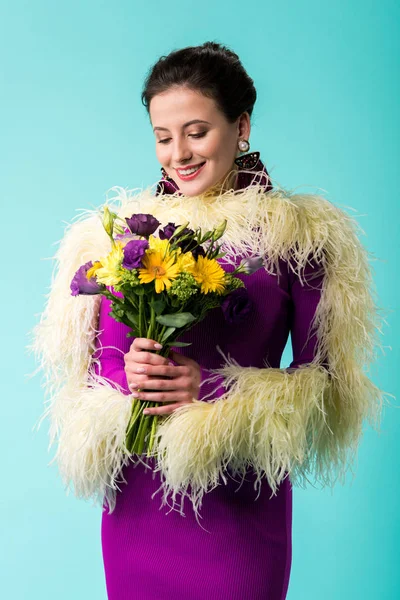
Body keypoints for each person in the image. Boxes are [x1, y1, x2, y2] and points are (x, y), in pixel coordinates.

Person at [31, 42, 388, 600]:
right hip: (137, 504)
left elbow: (330, 387)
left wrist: (214, 391)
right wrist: (132, 373)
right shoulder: (120, 241)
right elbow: (92, 381)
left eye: (196, 131)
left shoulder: (300, 239)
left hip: (238, 511)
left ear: (240, 125)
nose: (179, 154)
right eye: (163, 136)